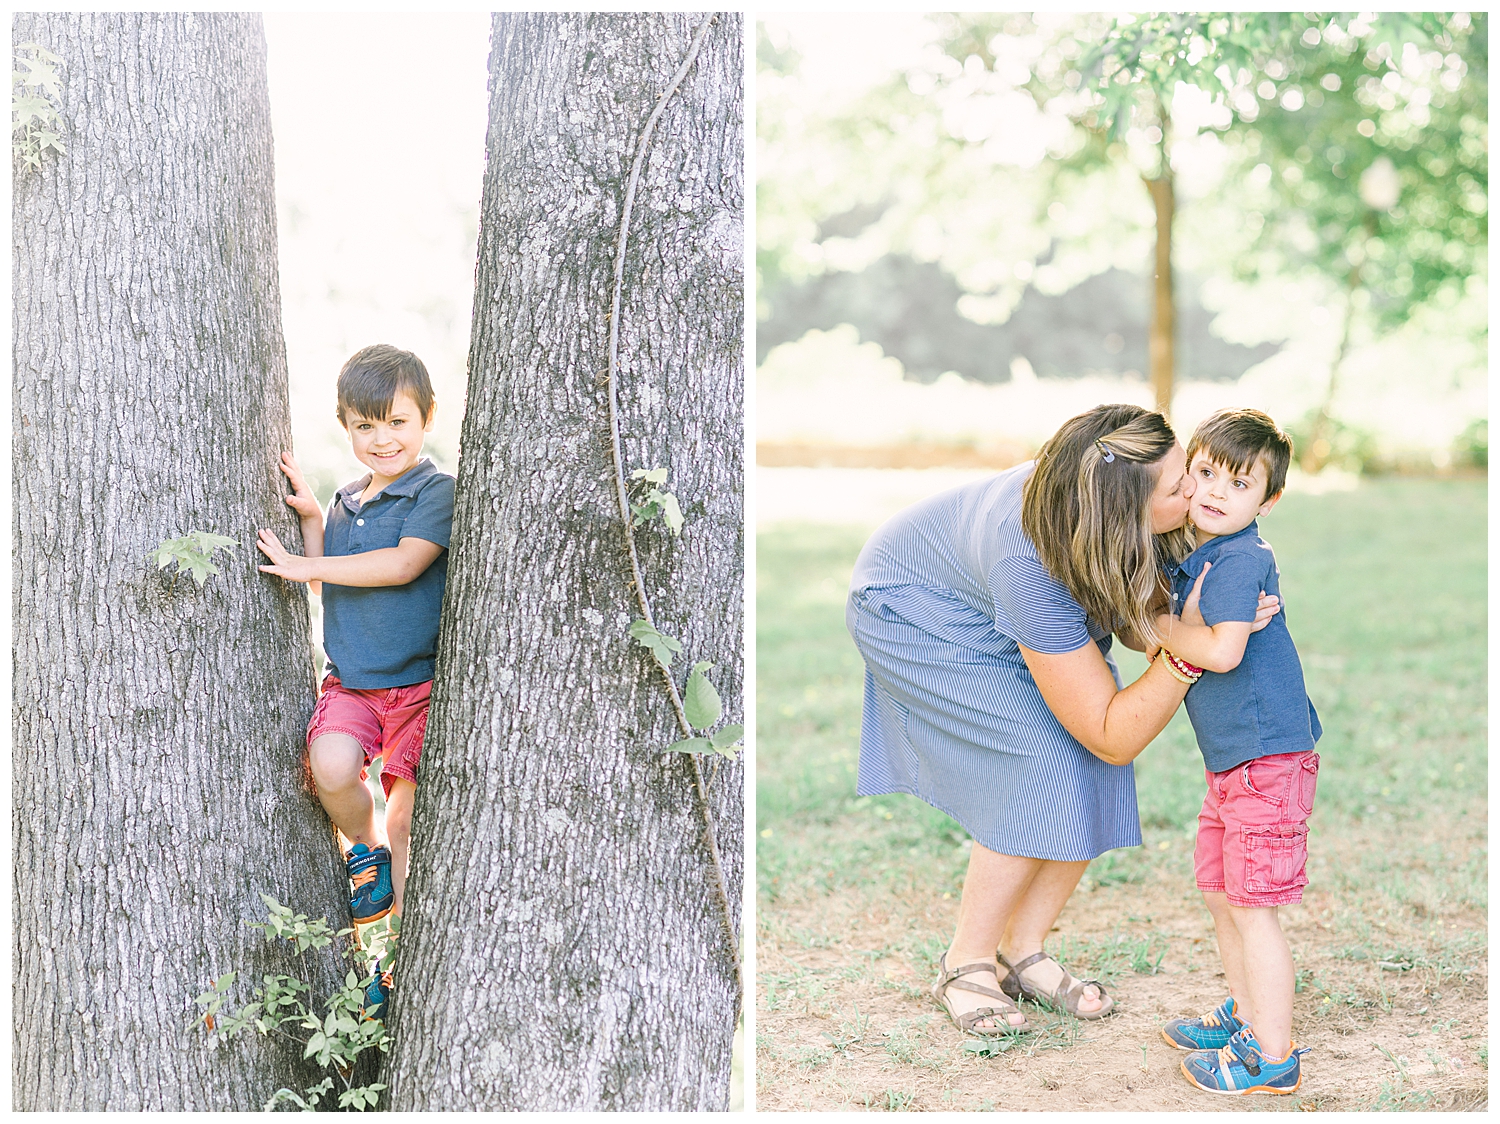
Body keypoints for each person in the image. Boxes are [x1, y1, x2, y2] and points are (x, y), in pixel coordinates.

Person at [846, 403, 1279, 1036]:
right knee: (1041, 757)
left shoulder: (1106, 503)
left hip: (989, 601)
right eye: (1179, 486)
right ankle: (966, 962)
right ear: (1123, 514)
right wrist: (1191, 653)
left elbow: (1137, 619)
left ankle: (1022, 950)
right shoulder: (1030, 563)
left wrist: (1180, 626)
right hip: (917, 613)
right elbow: (1114, 730)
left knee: (1086, 758)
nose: (1196, 491)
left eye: (1189, 470)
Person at [256, 344, 455, 1015]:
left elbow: (400, 567)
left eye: (397, 421)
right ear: (347, 428)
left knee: (407, 823)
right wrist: (314, 523)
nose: (383, 438)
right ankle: (361, 850)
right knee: (332, 766)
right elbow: (334, 578)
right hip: (354, 683)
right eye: (365, 426)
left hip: (420, 687)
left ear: (426, 417)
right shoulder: (345, 501)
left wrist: (306, 567)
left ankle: (389, 959)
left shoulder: (436, 491)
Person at [1153, 409, 1319, 1095]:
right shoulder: (1204, 555)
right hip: (1235, 763)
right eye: (1206, 472)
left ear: (1267, 501)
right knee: (1223, 896)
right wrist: (1175, 620)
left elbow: (1221, 651)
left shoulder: (1239, 558)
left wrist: (1162, 622)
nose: (1218, 491)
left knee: (1252, 906)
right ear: (1188, 470)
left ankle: (1272, 1055)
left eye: (1240, 483)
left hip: (1265, 762)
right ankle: (1248, 1013)